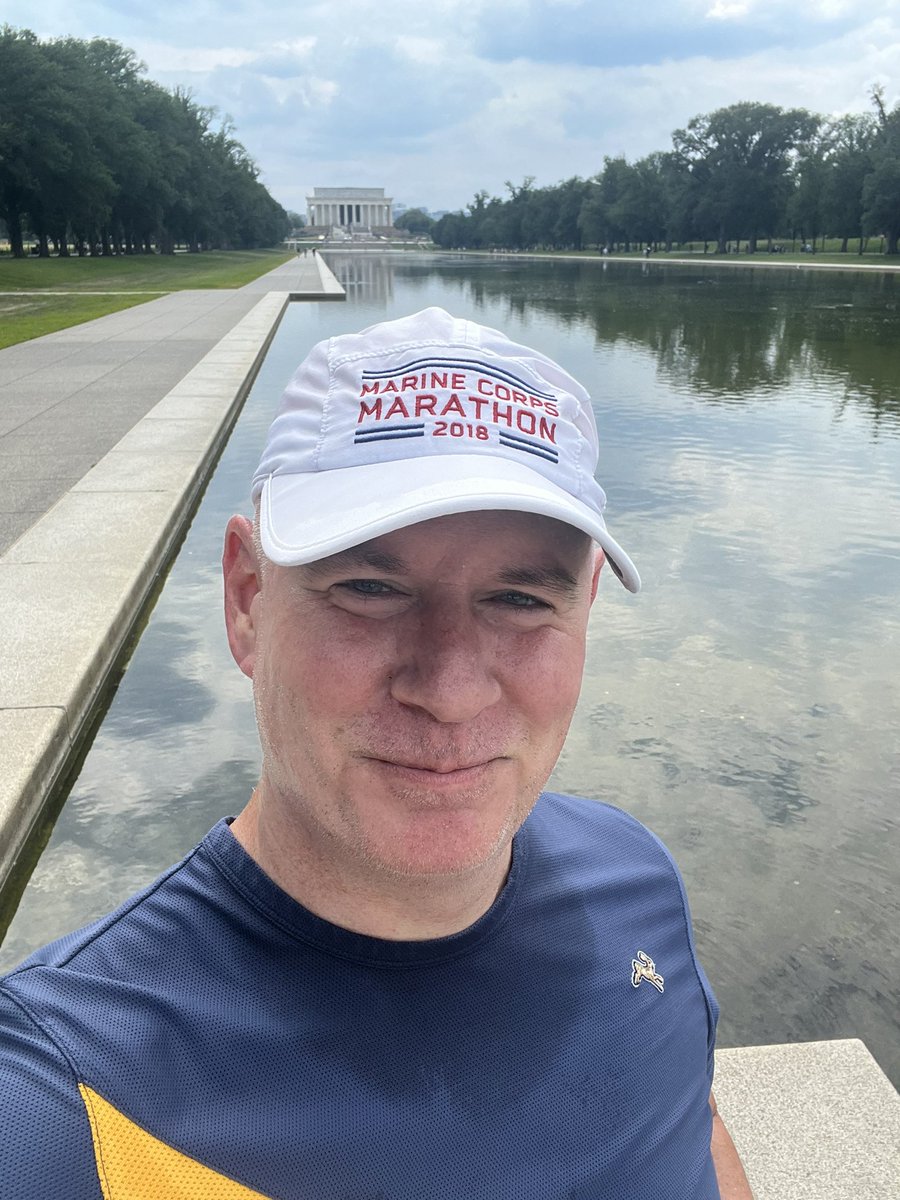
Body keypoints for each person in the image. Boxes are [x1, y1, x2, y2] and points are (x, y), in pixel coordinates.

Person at [0, 308, 752, 1198]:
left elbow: (689, 1127)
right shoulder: (59, 1102)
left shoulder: (635, 876)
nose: (451, 687)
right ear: (247, 600)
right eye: (369, 588)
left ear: (585, 605)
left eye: (519, 599)